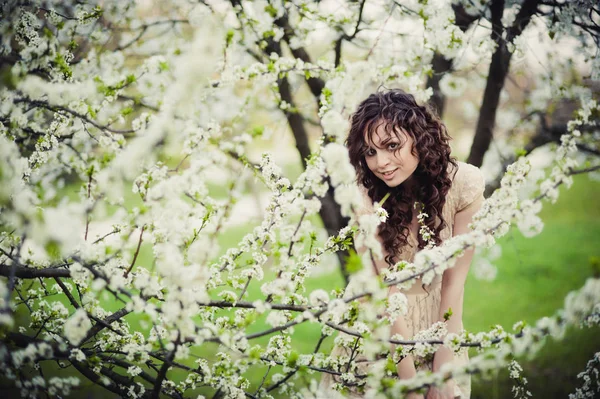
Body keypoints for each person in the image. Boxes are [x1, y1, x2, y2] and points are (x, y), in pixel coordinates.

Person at [321, 89, 485, 398]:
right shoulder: (366, 195)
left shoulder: (464, 184)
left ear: (419, 138)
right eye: (370, 152)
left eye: (392, 146)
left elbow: (454, 284)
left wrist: (441, 373)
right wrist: (409, 384)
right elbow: (386, 291)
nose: (381, 162)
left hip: (440, 322)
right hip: (377, 325)